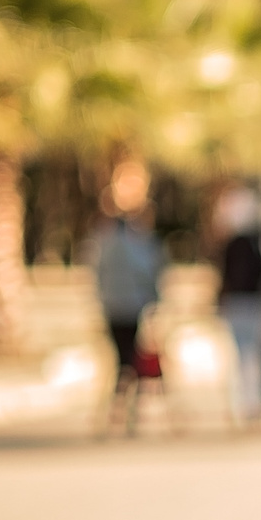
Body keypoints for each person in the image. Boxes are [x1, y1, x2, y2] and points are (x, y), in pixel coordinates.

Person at [90, 160, 163, 436]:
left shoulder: (107, 241)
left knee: (126, 360)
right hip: (128, 305)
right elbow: (149, 271)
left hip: (119, 305)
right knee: (127, 361)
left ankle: (121, 411)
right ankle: (122, 410)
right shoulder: (130, 242)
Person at [214, 185, 261, 424]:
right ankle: (250, 405)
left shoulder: (242, 244)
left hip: (243, 305)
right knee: (249, 357)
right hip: (248, 305)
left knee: (244, 358)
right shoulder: (253, 243)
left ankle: (247, 405)